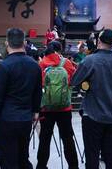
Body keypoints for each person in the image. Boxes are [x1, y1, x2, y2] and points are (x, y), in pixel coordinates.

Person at [0, 28, 42, 169]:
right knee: (23, 157)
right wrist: (36, 110)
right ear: (24, 42)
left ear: (7, 43)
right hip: (25, 118)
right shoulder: (34, 65)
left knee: (8, 160)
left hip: (6, 119)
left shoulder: (4, 66)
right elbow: (37, 91)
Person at [70, 29, 112, 169]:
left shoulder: (89, 61)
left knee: (92, 155)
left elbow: (74, 81)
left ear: (98, 41)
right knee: (111, 156)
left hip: (92, 114)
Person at [37, 41, 78, 169]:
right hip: (64, 107)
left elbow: (38, 84)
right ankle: (73, 166)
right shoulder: (66, 63)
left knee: (45, 138)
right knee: (67, 138)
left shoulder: (41, 64)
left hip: (46, 108)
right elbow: (73, 80)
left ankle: (41, 166)